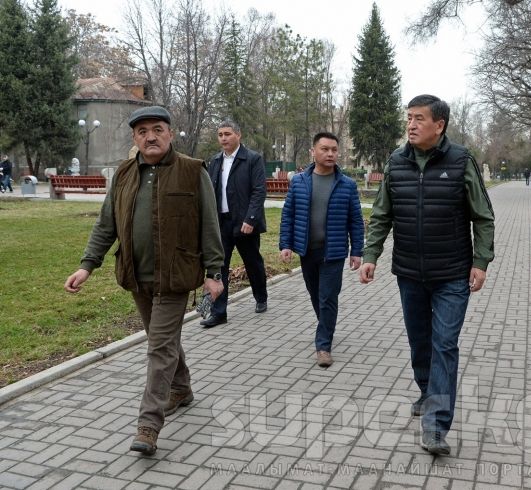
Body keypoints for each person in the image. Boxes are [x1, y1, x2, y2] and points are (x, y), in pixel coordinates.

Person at [64, 106, 224, 456]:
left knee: (159, 348)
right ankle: (181, 388)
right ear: (135, 138)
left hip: (176, 276)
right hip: (136, 275)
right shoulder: (124, 173)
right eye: (142, 132)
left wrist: (214, 273)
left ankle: (148, 426)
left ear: (170, 133)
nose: (150, 137)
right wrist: (87, 266)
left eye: (157, 129)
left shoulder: (192, 171)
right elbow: (106, 224)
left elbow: (209, 225)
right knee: (161, 340)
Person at [359, 94, 495, 456]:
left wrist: (481, 261)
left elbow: (483, 216)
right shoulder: (396, 162)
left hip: (452, 273)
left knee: (444, 344)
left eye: (419, 118)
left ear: (440, 125)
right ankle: (426, 389)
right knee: (420, 342)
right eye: (408, 118)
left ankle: (435, 426)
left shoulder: (461, 160)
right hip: (409, 273)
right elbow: (382, 214)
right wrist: (371, 255)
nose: (411, 125)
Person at [279, 132, 365, 368]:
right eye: (325, 149)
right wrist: (285, 244)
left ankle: (323, 345)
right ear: (313, 152)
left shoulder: (347, 184)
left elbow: (356, 221)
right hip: (307, 250)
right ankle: (326, 325)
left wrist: (357, 251)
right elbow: (288, 215)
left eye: (334, 150)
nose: (330, 154)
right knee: (316, 295)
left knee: (328, 297)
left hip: (333, 252)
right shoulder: (299, 182)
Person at [201, 120, 268, 327]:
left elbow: (259, 191)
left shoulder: (252, 159)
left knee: (253, 263)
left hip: (244, 223)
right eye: (220, 134)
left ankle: (261, 297)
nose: (223, 138)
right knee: (219, 266)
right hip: (221, 223)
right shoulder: (215, 161)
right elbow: (209, 191)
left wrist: (250, 219)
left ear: (238, 135)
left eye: (227, 134)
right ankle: (219, 313)